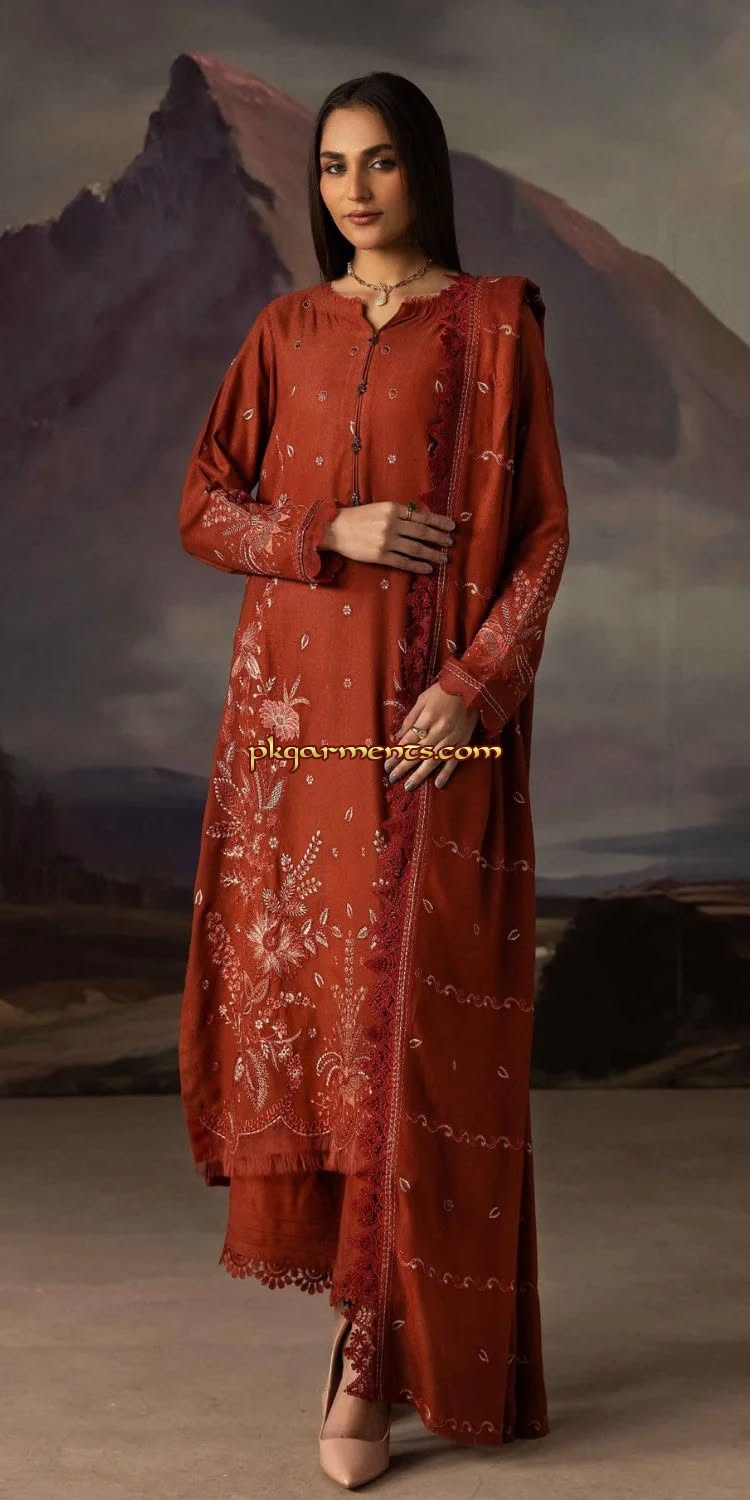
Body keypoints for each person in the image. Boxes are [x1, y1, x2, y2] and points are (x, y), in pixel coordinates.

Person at [177, 69, 570, 1487]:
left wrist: (473, 686)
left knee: (419, 1046)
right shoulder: (284, 331)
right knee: (336, 1036)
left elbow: (540, 534)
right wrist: (324, 528)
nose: (354, 189)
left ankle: (373, 1358)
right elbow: (202, 506)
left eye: (382, 162)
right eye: (334, 165)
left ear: (424, 172)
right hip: (296, 754)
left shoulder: (496, 323)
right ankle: (363, 1335)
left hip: (429, 739)